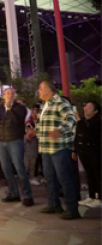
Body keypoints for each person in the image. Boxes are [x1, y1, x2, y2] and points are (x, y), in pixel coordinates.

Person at [37, 80, 80, 219]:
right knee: (50, 178)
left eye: (40, 89)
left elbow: (71, 118)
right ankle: (54, 204)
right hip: (46, 148)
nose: (38, 91)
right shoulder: (45, 105)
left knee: (65, 179)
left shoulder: (61, 102)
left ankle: (72, 208)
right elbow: (42, 124)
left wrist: (60, 130)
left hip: (60, 148)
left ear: (48, 91)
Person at [0, 88, 34, 207]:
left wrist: (10, 108)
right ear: (3, 96)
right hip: (2, 141)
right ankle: (14, 193)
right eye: (7, 94)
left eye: (12, 94)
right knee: (6, 169)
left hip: (15, 141)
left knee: (19, 169)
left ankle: (28, 196)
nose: (10, 96)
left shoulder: (20, 108)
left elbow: (18, 120)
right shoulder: (0, 108)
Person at [74, 101, 101, 208]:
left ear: (96, 111)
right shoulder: (84, 121)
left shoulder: (97, 121)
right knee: (89, 174)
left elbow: (88, 132)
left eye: (89, 107)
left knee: (97, 174)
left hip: (94, 151)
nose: (86, 108)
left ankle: (99, 197)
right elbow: (79, 135)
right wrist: (75, 150)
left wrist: (79, 120)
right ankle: (91, 196)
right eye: (85, 106)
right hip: (84, 150)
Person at [25, 104, 41, 185]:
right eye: (33, 113)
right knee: (27, 164)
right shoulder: (29, 123)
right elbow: (29, 133)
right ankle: (26, 178)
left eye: (36, 113)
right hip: (28, 147)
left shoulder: (41, 122)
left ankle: (33, 177)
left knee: (34, 164)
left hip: (37, 147)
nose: (34, 114)